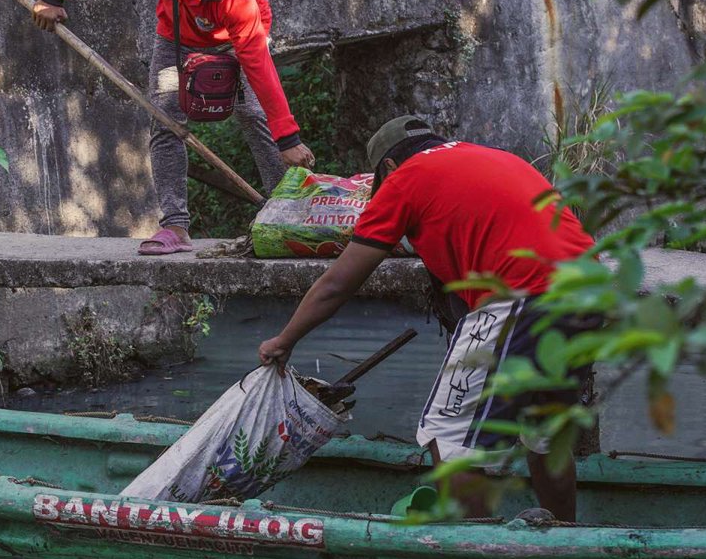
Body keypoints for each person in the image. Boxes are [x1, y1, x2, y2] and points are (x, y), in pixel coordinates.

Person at [257, 116, 599, 521]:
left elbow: (338, 284)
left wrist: (285, 339)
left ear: (386, 168)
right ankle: (565, 542)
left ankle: (474, 555)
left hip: (520, 297)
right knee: (545, 437)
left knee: (447, 435)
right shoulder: (492, 157)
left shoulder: (405, 179)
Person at [31, 0, 315, 254]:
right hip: (175, 37)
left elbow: (257, 62)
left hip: (236, 37)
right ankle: (175, 227)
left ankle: (285, 212)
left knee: (254, 115)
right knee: (166, 120)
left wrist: (288, 136)